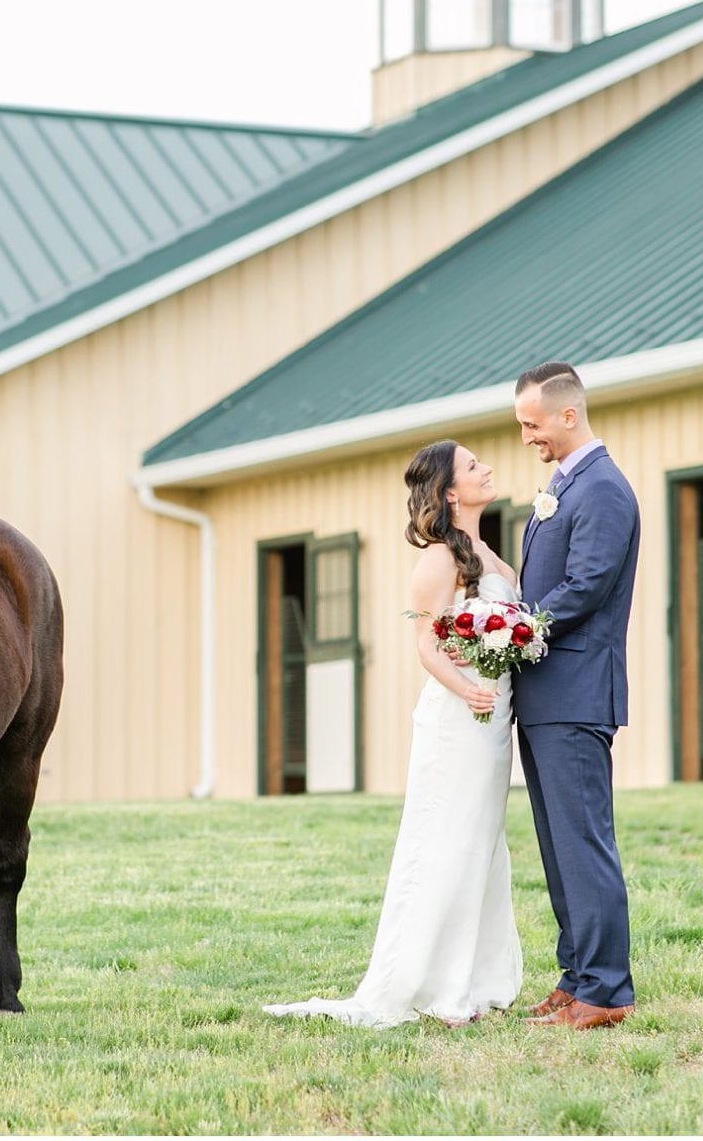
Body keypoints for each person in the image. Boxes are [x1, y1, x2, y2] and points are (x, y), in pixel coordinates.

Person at [264, 440, 521, 1028]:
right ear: (451, 492)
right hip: (460, 718)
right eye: (473, 465)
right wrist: (468, 689)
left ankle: (475, 980)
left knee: (481, 842)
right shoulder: (437, 560)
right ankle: (436, 987)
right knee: (447, 840)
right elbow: (426, 647)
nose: (487, 468)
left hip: (492, 721)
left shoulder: (487, 554)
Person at [508, 361, 640, 1029]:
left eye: (533, 423)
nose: (528, 436)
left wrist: (517, 628)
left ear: (568, 414)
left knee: (584, 842)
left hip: (577, 690)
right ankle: (576, 975)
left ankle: (607, 991)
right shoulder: (564, 486)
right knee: (558, 846)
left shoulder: (604, 489)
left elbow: (586, 585)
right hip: (543, 695)